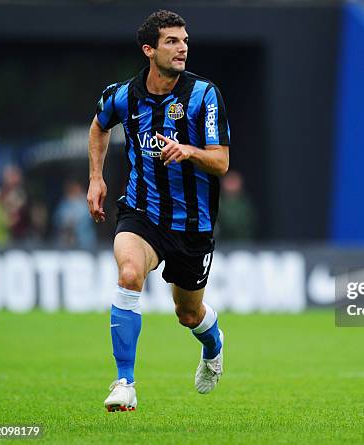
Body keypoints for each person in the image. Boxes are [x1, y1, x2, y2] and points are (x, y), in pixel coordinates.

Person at [87, 10, 230, 412]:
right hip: (141, 212)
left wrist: (189, 151)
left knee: (188, 314)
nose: (182, 47)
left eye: (184, 40)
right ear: (149, 49)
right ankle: (124, 383)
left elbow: (221, 162)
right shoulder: (123, 95)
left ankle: (214, 345)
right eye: (171, 41)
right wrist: (96, 178)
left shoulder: (204, 95)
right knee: (129, 274)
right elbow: (99, 126)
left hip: (192, 225)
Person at [53, 180, 95, 249]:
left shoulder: (88, 202)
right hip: (66, 242)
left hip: (85, 243)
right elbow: (56, 219)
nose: (73, 190)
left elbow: (87, 218)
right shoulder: (64, 202)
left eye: (75, 188)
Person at [217, 171, 256, 241]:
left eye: (234, 182)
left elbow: (249, 223)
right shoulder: (217, 202)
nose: (231, 185)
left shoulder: (244, 203)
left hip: (241, 241)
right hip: (221, 242)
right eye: (229, 182)